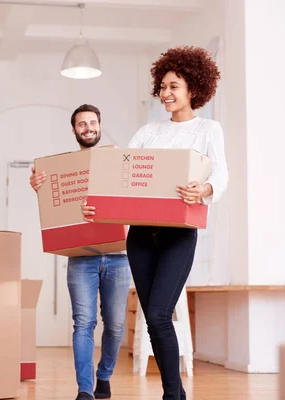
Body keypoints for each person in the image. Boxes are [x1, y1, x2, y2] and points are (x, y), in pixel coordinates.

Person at [82, 46, 228, 400]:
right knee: (152, 318)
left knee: (160, 314)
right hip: (142, 236)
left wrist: (205, 188)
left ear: (193, 88)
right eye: (162, 86)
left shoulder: (208, 129)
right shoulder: (148, 132)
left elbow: (222, 173)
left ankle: (172, 396)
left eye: (173, 86)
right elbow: (121, 172)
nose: (165, 93)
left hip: (179, 235)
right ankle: (173, 395)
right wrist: (97, 203)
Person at [30, 104, 131, 400]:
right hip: (81, 257)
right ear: (74, 130)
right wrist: (39, 187)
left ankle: (104, 377)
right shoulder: (62, 171)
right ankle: (85, 389)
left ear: (100, 126)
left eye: (92, 122)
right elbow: (53, 204)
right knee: (83, 323)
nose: (88, 127)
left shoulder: (117, 159)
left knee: (115, 324)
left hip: (117, 255)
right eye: (82, 124)